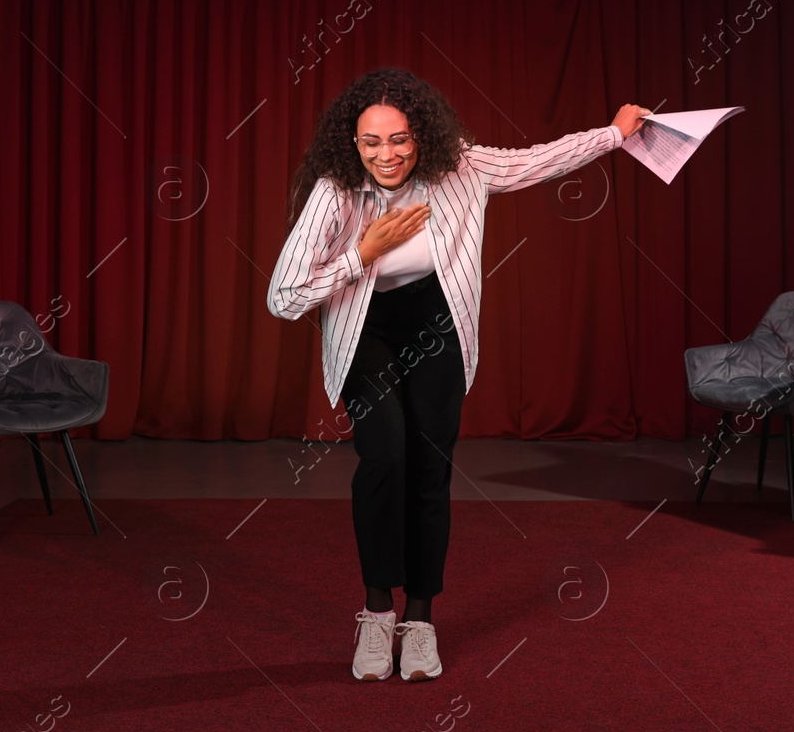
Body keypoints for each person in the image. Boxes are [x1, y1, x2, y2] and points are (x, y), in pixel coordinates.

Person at [267, 68, 649, 682]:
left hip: (437, 323)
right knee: (384, 457)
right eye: (371, 142)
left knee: (428, 465)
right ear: (352, 144)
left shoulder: (462, 168)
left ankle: (418, 619)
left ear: (421, 136)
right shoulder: (335, 190)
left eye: (398, 139)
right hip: (363, 323)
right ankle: (375, 612)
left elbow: (535, 162)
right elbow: (283, 296)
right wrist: (359, 254)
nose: (385, 155)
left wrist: (613, 134)